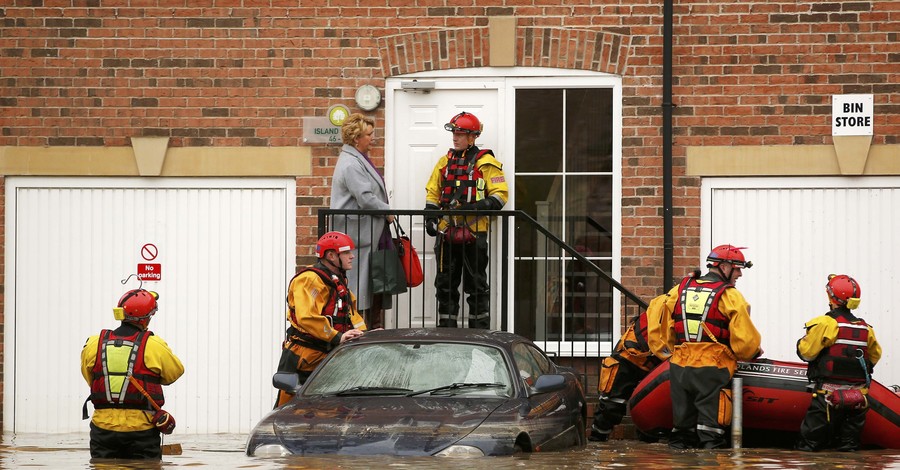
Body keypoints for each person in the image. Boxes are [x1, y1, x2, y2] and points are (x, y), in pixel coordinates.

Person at [646, 244, 762, 449]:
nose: (740, 274)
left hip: (679, 366)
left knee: (681, 433)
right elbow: (745, 342)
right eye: (737, 268)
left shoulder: (679, 289)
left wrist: (668, 351)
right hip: (712, 368)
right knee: (711, 433)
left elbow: (659, 319)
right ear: (725, 266)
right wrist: (752, 352)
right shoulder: (730, 296)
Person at [423, 111, 508, 329]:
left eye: (460, 134)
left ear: (472, 137)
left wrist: (474, 208)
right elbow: (433, 192)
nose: (455, 138)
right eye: (454, 133)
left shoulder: (487, 163)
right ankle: (446, 331)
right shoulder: (444, 162)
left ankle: (478, 333)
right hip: (446, 232)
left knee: (476, 284)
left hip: (474, 232)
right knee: (445, 284)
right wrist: (430, 218)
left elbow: (500, 196)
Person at [81, 288, 185, 459]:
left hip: (102, 429)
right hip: (141, 431)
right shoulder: (153, 345)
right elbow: (174, 373)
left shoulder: (94, 343)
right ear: (146, 318)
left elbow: (90, 377)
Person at [274, 231, 368, 407]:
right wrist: (337, 337)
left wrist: (365, 335)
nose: (352, 256)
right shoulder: (309, 280)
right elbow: (307, 317)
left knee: (329, 409)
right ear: (331, 255)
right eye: (346, 252)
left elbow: (350, 313)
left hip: (326, 354)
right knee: (290, 409)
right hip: (303, 357)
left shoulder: (337, 281)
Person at [795, 274, 882, 452]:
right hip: (858, 398)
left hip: (827, 396)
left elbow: (807, 353)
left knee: (809, 446)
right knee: (849, 446)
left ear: (830, 296)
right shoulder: (866, 329)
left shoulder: (826, 323)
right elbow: (874, 357)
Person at [330, 113, 394, 329]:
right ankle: (361, 334)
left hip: (365, 235)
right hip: (357, 236)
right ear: (356, 138)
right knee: (359, 291)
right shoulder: (351, 164)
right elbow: (365, 198)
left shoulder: (357, 159)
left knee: (370, 290)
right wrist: (388, 211)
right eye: (369, 134)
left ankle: (372, 331)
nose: (373, 138)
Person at [590, 296, 667, 442]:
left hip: (649, 358)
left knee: (649, 407)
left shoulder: (675, 299)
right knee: (611, 406)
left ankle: (646, 443)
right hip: (631, 355)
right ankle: (597, 442)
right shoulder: (676, 301)